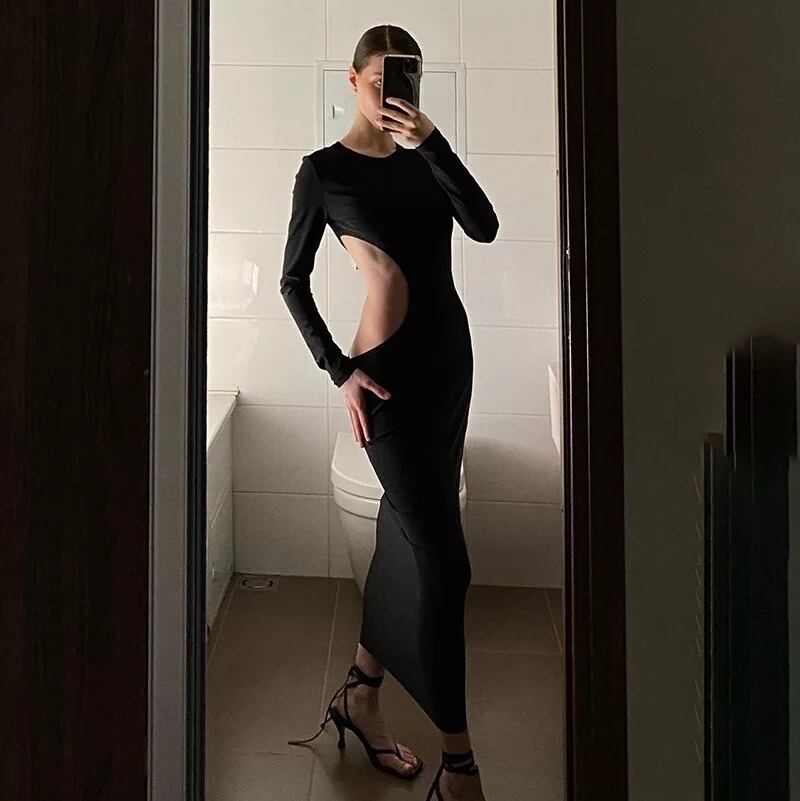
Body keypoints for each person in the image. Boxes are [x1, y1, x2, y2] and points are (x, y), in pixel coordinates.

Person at [280, 24, 498, 801]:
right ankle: (459, 767)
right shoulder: (323, 171)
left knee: (405, 536)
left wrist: (432, 140)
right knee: (447, 562)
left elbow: (483, 225)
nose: (393, 93)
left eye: (407, 80)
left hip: (449, 371)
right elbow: (292, 281)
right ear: (353, 80)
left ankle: (360, 693)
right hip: (386, 385)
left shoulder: (423, 160)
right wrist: (338, 370)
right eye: (381, 80)